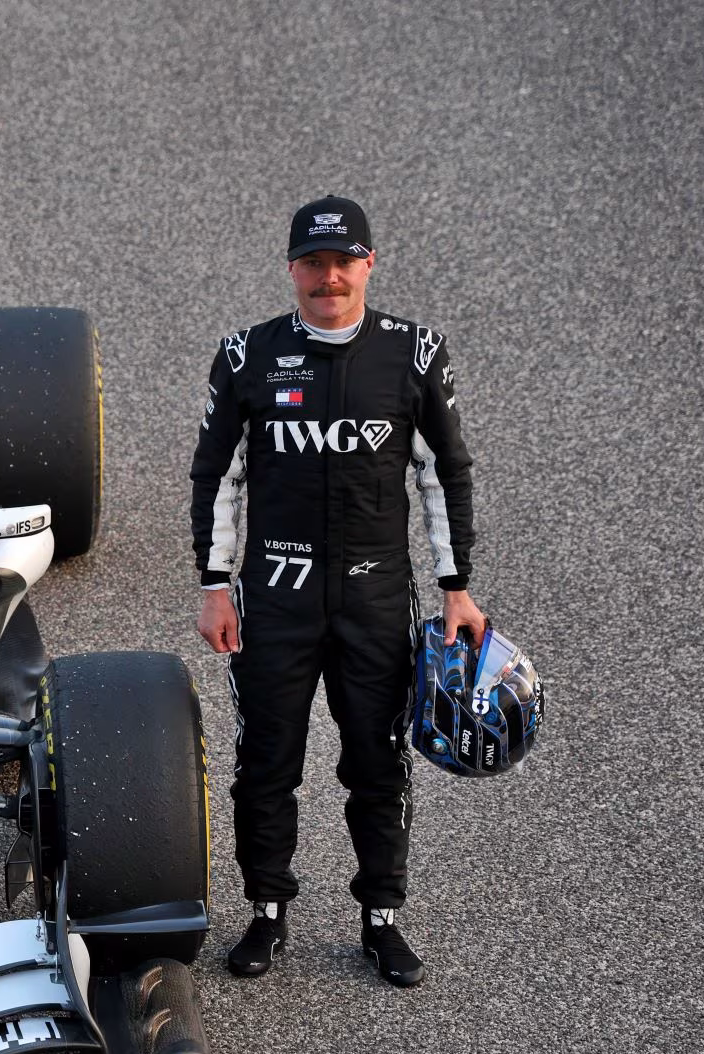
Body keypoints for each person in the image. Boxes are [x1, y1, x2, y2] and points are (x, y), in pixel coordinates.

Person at [188, 195, 483, 988]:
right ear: (292, 269)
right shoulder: (246, 356)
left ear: (368, 264)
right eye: (313, 264)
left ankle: (382, 920)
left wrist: (456, 589)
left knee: (378, 766)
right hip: (274, 602)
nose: (328, 278)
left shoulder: (414, 355)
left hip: (376, 602)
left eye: (342, 262)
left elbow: (442, 475)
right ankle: (267, 912)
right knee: (266, 764)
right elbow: (217, 476)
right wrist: (215, 585)